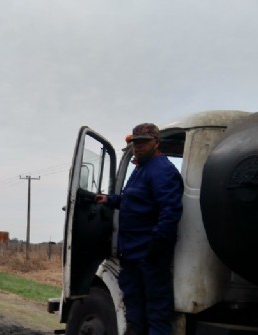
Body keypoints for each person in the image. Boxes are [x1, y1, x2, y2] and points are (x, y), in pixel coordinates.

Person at [95, 123, 183, 335]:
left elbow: (170, 211)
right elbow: (133, 200)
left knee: (156, 313)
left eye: (144, 142)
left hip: (149, 256)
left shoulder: (162, 170)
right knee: (134, 312)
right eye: (135, 142)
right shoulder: (140, 169)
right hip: (132, 255)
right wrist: (110, 200)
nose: (138, 147)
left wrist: (157, 246)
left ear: (156, 143)